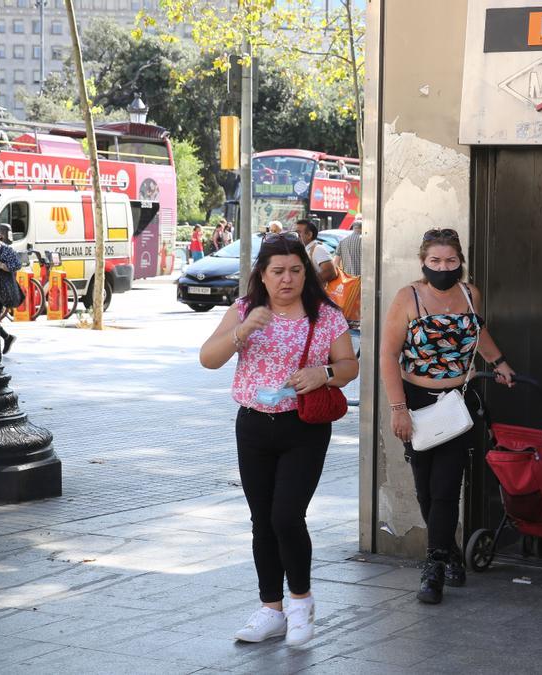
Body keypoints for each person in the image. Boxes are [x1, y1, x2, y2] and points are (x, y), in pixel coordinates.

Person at [199, 231, 358, 646]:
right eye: (278, 271)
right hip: (253, 426)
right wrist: (242, 331)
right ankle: (270, 608)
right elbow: (208, 359)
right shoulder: (245, 309)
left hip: (303, 428)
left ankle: (301, 602)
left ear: (306, 272)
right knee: (261, 521)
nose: (287, 279)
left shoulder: (326, 315)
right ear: (263, 275)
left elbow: (348, 367)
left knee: (286, 516)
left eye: (295, 270)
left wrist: (321, 374)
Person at [379, 228, 515, 605]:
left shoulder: (470, 295)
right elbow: (388, 355)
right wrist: (398, 409)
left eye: (451, 261)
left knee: (445, 487)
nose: (443, 268)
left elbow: (478, 331)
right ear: (423, 262)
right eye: (436, 261)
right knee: (425, 489)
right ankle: (451, 551)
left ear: (461, 261)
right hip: (415, 401)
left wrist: (499, 362)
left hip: (457, 401)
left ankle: (434, 566)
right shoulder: (409, 298)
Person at [0, 225, 21, 355]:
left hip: (1, 290)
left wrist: (2, 265)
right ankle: (7, 337)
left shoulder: (6, 250)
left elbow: (17, 265)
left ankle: (6, 338)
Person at [296, 219, 338, 284]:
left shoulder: (318, 249)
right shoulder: (305, 249)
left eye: (298, 233)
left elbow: (331, 273)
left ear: (309, 235)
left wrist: (310, 285)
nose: (296, 236)